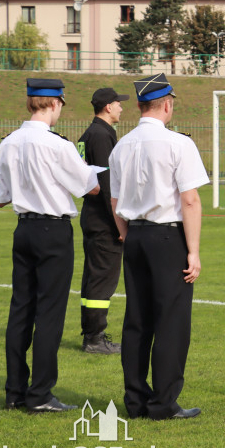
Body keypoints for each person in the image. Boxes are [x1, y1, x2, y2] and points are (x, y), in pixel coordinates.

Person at [0, 78, 100, 412]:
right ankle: (40, 394)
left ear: (30, 103)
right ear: (55, 104)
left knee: (20, 310)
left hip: (23, 228)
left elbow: (1, 198)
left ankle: (14, 391)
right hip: (52, 230)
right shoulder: (58, 145)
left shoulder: (8, 143)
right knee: (50, 312)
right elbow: (90, 188)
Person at [109, 73, 209, 420]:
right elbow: (190, 200)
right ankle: (163, 403)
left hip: (134, 235)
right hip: (167, 237)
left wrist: (126, 234)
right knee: (171, 321)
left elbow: (115, 201)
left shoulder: (121, 145)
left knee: (137, 320)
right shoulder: (178, 143)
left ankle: (135, 402)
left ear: (138, 106)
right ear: (167, 105)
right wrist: (193, 251)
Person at [77, 87, 130, 354]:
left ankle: (91, 334)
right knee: (103, 279)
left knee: (92, 278)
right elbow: (108, 185)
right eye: (118, 104)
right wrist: (119, 224)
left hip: (92, 216)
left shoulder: (90, 133)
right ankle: (95, 339)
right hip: (103, 220)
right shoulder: (100, 136)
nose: (122, 107)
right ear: (108, 107)